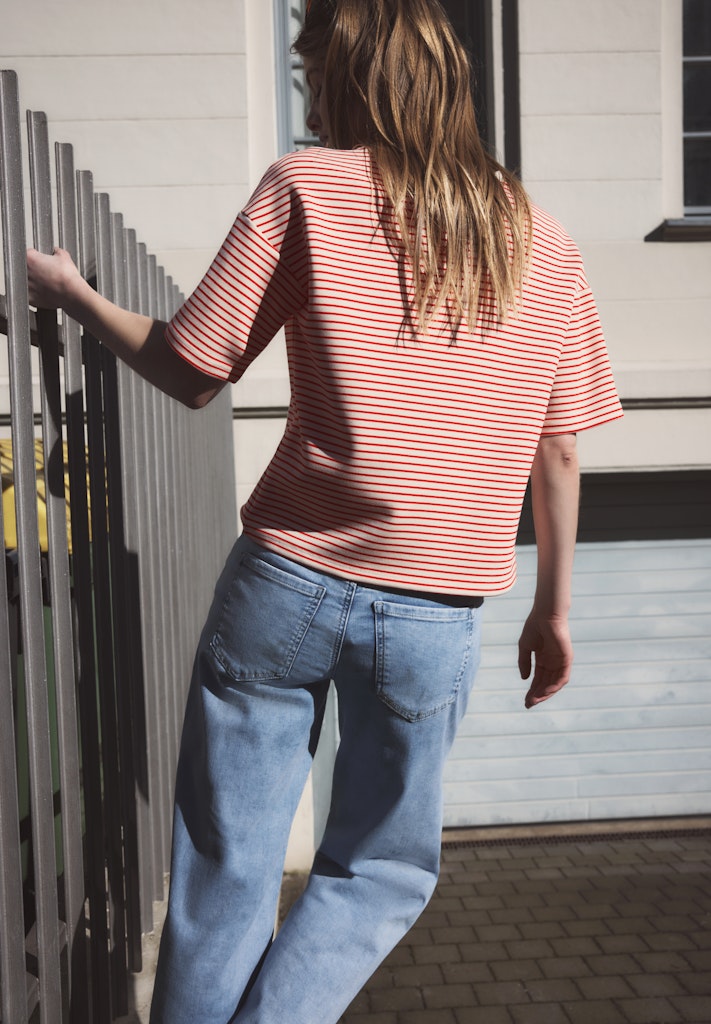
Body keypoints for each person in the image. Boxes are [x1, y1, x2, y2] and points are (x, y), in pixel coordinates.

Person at [26, 1, 623, 1020]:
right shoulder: (546, 243)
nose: (308, 103)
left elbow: (193, 368)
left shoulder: (305, 187)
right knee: (380, 870)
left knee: (227, 863)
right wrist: (553, 610)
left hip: (286, 585)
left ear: (354, 79)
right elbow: (558, 447)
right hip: (434, 610)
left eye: (315, 77)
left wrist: (75, 295)